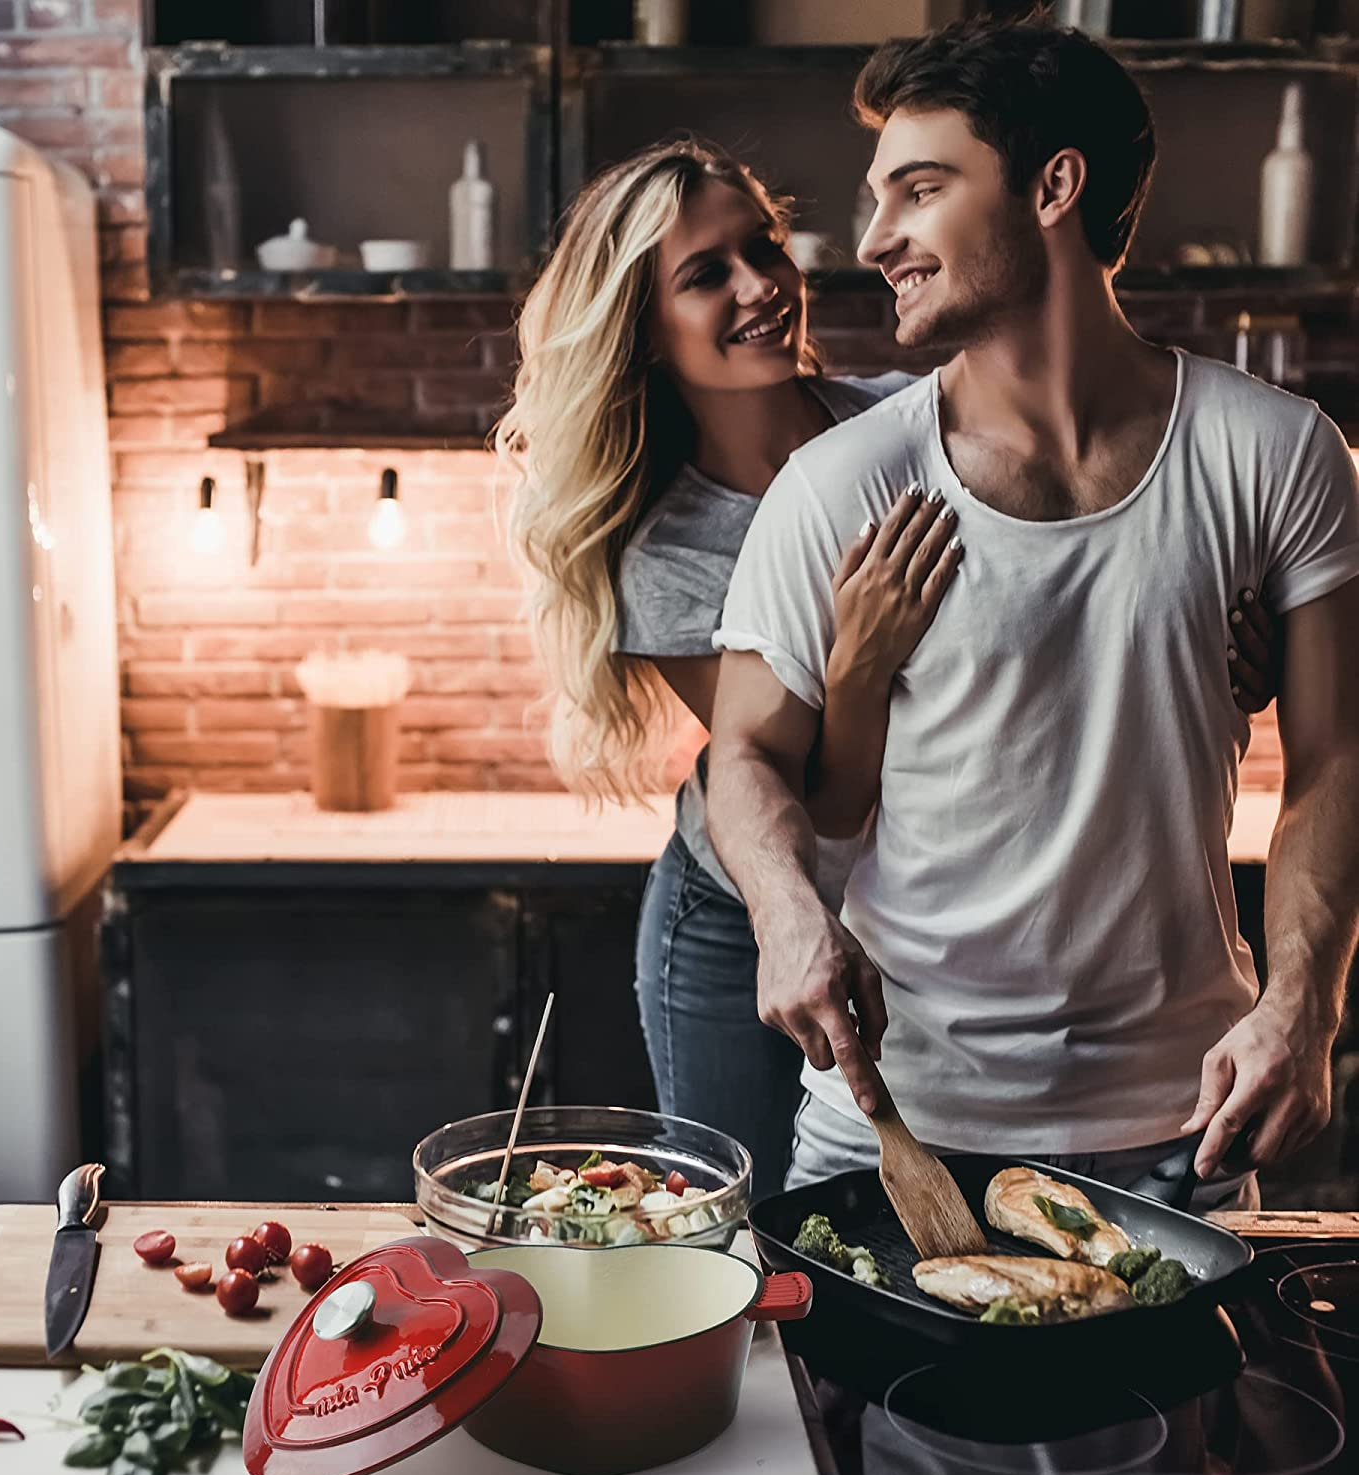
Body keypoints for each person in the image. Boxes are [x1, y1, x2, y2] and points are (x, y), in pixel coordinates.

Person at [498, 133, 1279, 1199]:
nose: (761, 287)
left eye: (763, 248)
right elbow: (819, 804)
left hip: (899, 927)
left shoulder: (901, 429)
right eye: (705, 275)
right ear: (643, 332)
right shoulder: (668, 552)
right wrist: (858, 663)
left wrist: (1219, 646)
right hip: (739, 921)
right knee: (731, 1227)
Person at [705, 17, 1359, 1211]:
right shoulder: (844, 484)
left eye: (921, 189)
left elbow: (1335, 756)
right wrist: (789, 913)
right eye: (878, 197)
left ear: (1055, 185)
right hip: (896, 1131)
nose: (876, 239)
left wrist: (1305, 1003)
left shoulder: (1277, 452)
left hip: (1186, 1130)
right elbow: (744, 751)